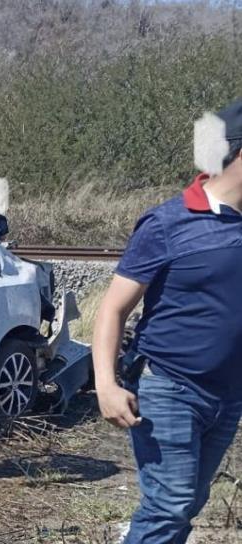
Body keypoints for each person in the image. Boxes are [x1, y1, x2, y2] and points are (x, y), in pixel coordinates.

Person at [93, 98, 242, 543]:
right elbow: (113, 309)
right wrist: (105, 384)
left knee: (186, 505)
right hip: (171, 388)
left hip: (228, 396)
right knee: (171, 504)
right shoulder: (168, 223)